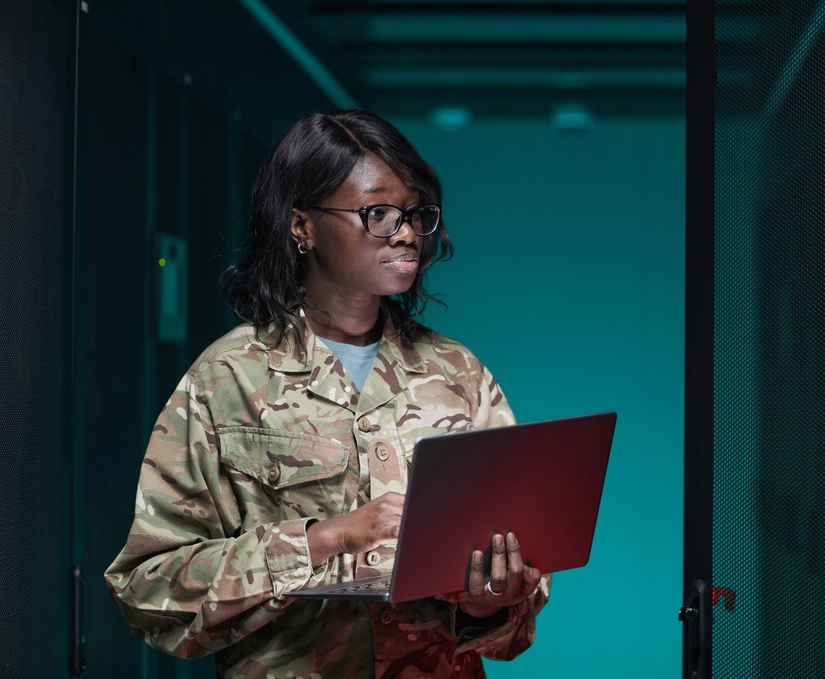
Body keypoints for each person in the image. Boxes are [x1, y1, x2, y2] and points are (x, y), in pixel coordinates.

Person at [105, 110, 549, 678]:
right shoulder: (227, 379)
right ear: (302, 227)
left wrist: (491, 601)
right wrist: (322, 540)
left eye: (415, 214)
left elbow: (517, 601)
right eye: (378, 213)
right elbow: (148, 590)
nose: (407, 232)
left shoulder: (459, 375)